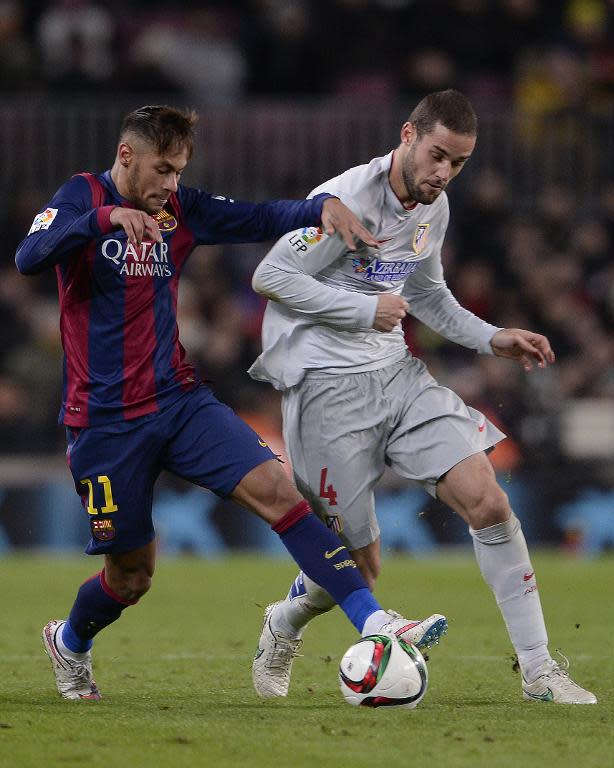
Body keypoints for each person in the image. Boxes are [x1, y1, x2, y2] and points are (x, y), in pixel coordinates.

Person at [15, 105, 446, 701]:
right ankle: (71, 643)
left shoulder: (179, 211)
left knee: (281, 493)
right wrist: (105, 218)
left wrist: (316, 208)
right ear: (126, 156)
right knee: (131, 577)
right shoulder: (80, 195)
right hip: (104, 424)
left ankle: (377, 624)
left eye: (179, 171)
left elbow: (252, 216)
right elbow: (29, 256)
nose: (171, 184)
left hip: (179, 402)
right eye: (163, 169)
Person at [249, 90, 597, 705]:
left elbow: (429, 295)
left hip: (399, 378)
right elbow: (270, 278)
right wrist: (364, 310)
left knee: (489, 502)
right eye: (437, 156)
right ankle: (284, 623)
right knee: (358, 569)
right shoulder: (346, 200)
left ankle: (540, 671)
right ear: (408, 135)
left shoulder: (433, 209)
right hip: (326, 394)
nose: (444, 174)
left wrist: (494, 338)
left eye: (458, 163)